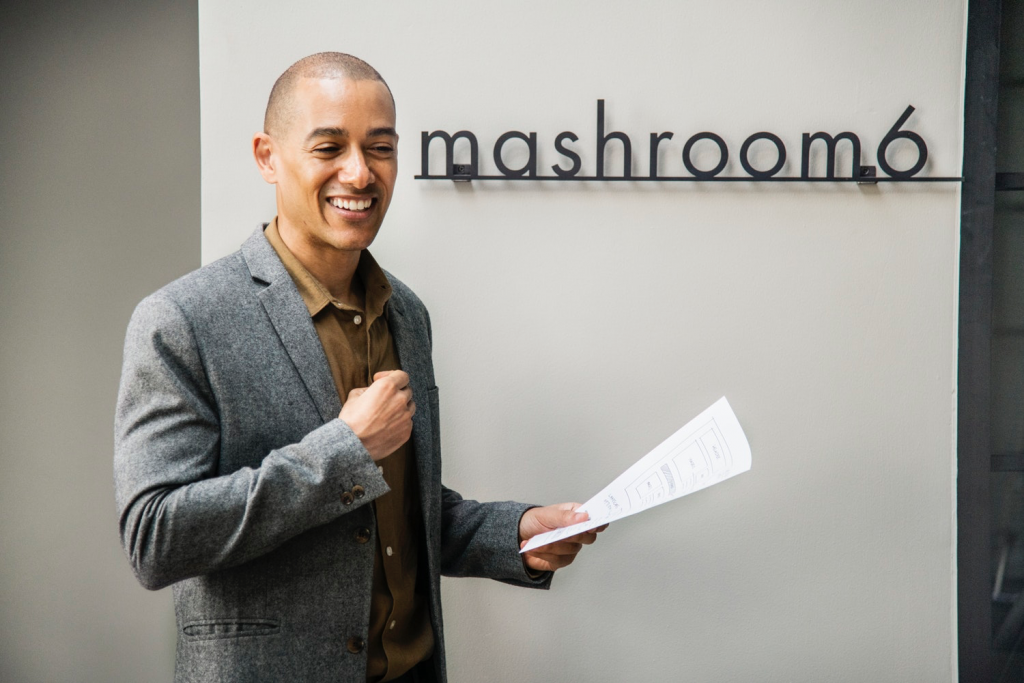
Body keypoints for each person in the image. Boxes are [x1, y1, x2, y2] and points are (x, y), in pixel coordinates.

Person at [114, 52, 602, 683]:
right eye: (329, 147)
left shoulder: (407, 313)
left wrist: (516, 533)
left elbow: (398, 514)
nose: (360, 172)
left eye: (380, 149)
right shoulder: (181, 320)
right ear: (267, 156)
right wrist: (344, 449)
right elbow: (155, 538)